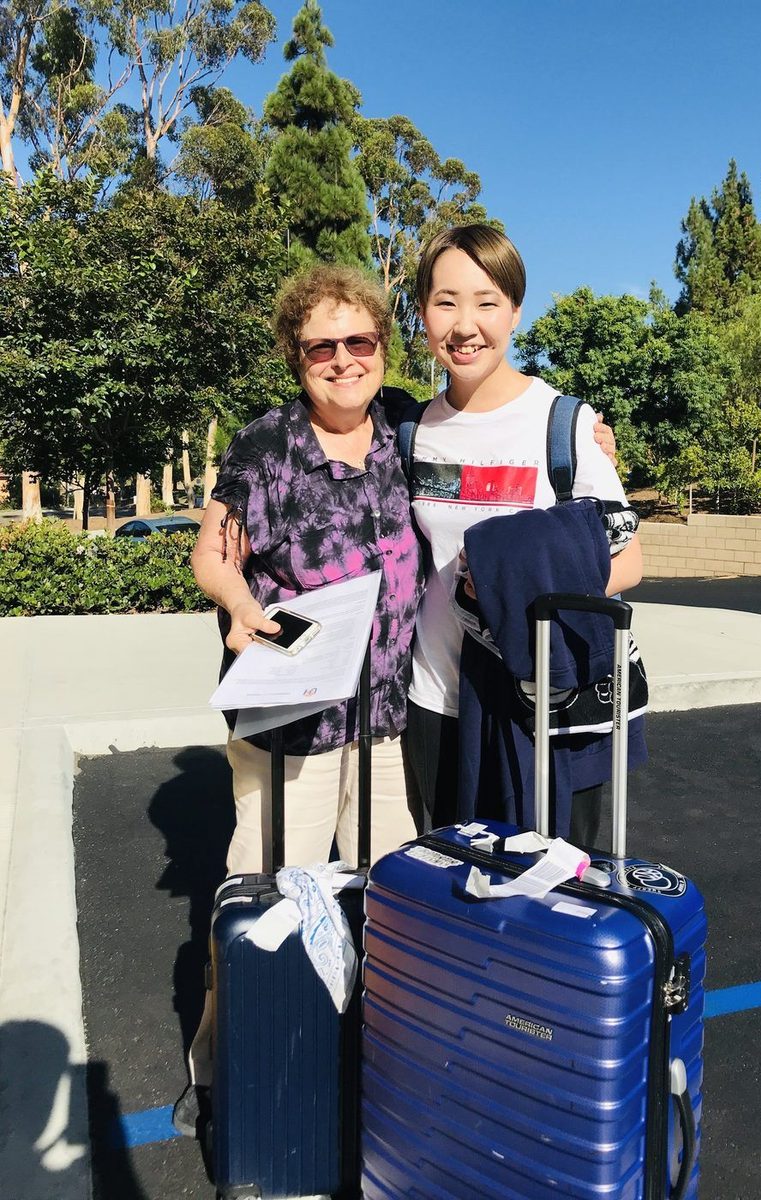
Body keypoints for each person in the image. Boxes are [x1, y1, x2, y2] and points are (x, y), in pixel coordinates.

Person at [176, 263, 422, 1135]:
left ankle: (365, 1059)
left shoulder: (402, 431)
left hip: (386, 720)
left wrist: (590, 437)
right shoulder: (265, 446)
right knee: (268, 897)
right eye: (324, 345)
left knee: (393, 896)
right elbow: (214, 553)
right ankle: (226, 1065)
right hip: (295, 726)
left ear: (384, 350)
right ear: (296, 354)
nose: (345, 360)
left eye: (362, 342)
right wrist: (243, 608)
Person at [402, 225, 644, 840]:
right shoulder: (410, 431)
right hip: (436, 702)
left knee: (551, 897)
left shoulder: (564, 423)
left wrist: (508, 590)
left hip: (540, 705)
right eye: (445, 301)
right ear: (423, 313)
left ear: (514, 312)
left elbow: (628, 560)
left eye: (486, 302)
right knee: (451, 891)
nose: (464, 325)